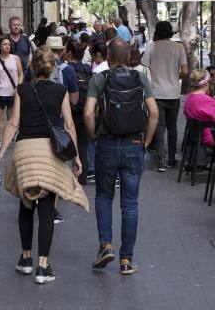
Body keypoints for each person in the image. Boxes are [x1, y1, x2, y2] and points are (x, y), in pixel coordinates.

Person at [0, 47, 87, 284]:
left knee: (25, 205)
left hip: (25, 151)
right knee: (45, 210)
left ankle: (25, 259)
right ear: (52, 67)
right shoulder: (61, 91)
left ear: (32, 67)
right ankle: (42, 268)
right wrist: (76, 157)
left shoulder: (22, 90)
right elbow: (70, 126)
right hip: (50, 153)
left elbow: (13, 123)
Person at [83, 39, 158, 276]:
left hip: (106, 144)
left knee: (104, 195)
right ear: (128, 57)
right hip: (134, 144)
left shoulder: (100, 79)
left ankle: (106, 246)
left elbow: (87, 113)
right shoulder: (141, 78)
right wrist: (146, 141)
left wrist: (94, 135)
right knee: (130, 204)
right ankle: (126, 260)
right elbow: (154, 113)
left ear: (108, 55)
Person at [142, 20, 188, 171]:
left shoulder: (151, 46)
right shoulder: (178, 47)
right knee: (172, 126)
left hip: (157, 92)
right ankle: (172, 158)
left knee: (159, 127)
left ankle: (160, 162)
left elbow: (144, 66)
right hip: (174, 92)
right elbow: (185, 71)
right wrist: (175, 76)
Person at [65, 39, 92, 185]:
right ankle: (81, 179)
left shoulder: (65, 68)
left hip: (69, 111)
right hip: (84, 111)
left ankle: (62, 181)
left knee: (62, 147)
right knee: (82, 146)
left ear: (68, 53)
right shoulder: (88, 69)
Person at [0, 36, 23, 140]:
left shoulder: (15, 58)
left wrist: (19, 86)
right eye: (4, 44)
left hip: (12, 92)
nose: (7, 46)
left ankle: (11, 137)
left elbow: (21, 74)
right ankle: (0, 139)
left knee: (12, 117)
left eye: (9, 44)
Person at [184, 68, 215, 148]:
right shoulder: (206, 100)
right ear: (206, 83)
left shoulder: (188, 98)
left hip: (196, 136)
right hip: (211, 137)